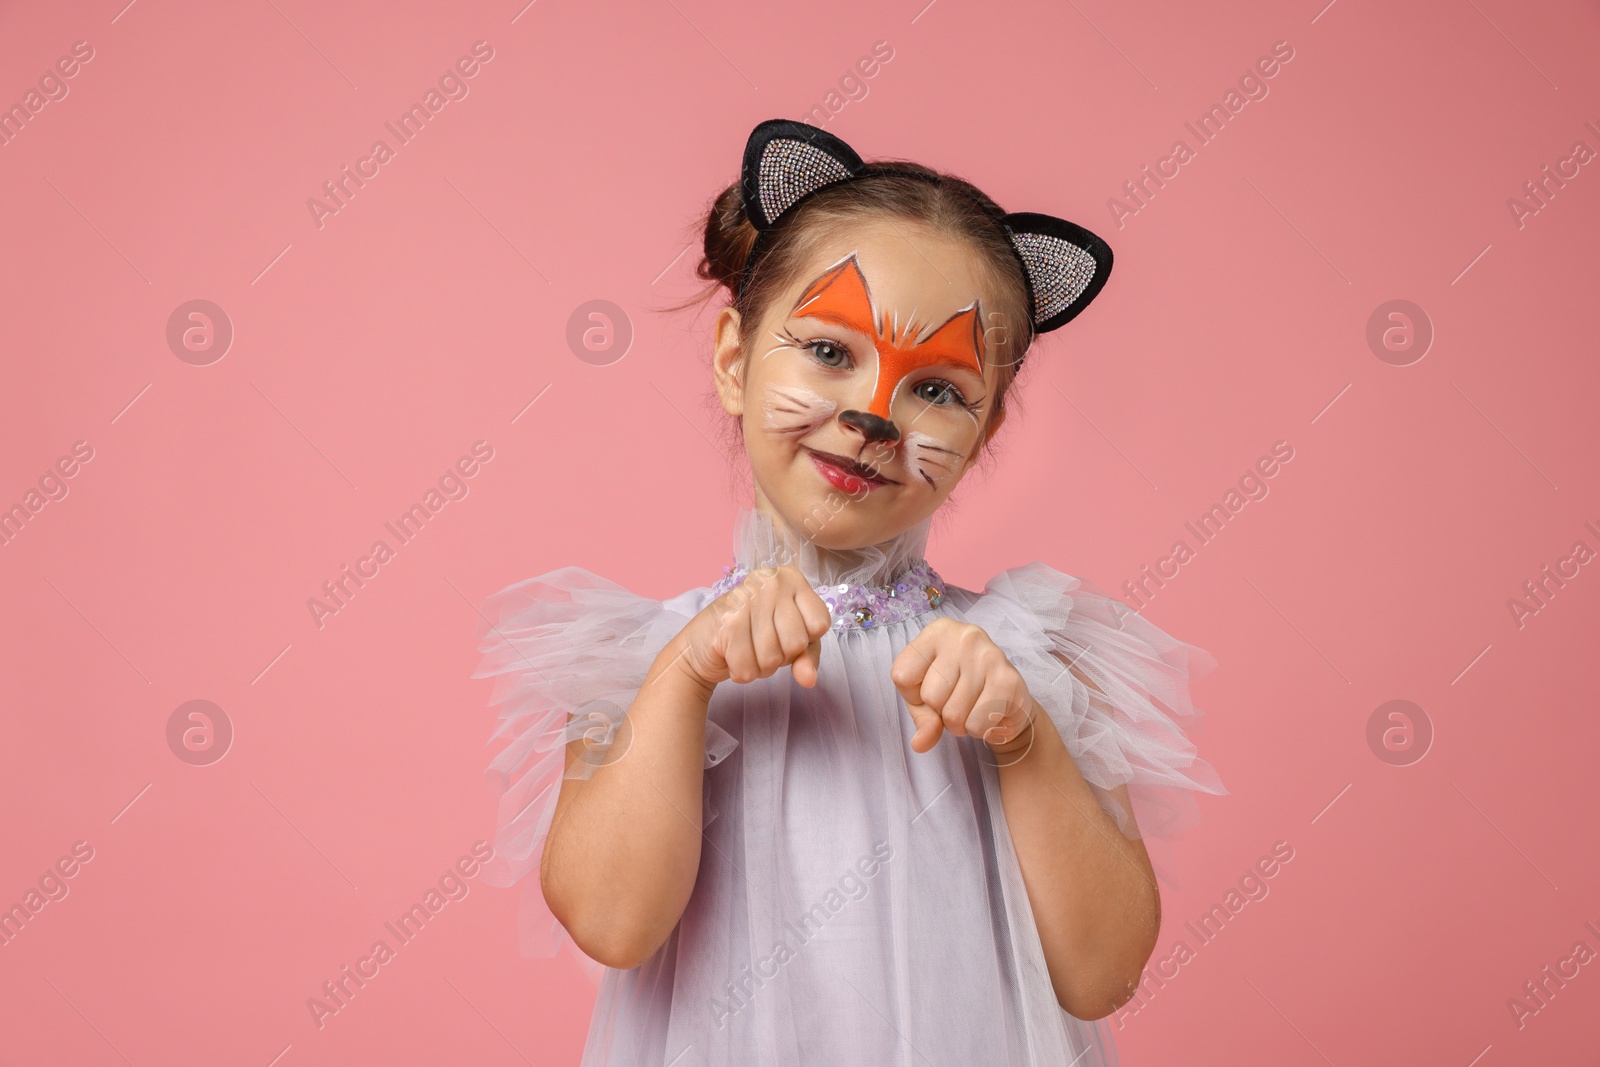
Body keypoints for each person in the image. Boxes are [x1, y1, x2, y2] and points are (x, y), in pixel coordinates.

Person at [474, 118, 1226, 1066]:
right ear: (736, 360)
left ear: (987, 432)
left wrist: (1023, 736)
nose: (874, 415)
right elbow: (614, 922)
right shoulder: (641, 660)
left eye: (941, 390)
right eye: (830, 353)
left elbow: (1103, 970)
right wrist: (686, 674)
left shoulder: (1027, 662)